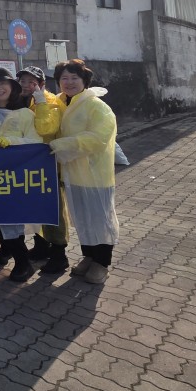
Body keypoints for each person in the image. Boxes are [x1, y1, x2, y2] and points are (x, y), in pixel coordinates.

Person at [48, 59, 119, 284]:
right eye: (64, 78)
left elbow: (98, 139)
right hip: (71, 173)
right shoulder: (59, 103)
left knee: (100, 219)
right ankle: (89, 257)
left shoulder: (97, 106)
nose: (69, 82)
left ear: (84, 80)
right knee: (82, 219)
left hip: (94, 174)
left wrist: (61, 145)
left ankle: (102, 263)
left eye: (74, 78)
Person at [0, 67, 42, 282]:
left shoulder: (25, 114)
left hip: (15, 177)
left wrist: (12, 142)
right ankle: (6, 250)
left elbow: (36, 142)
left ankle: (23, 263)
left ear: (12, 88)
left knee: (10, 220)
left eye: (3, 84)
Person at [18, 65, 70, 274]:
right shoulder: (23, 101)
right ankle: (42, 247)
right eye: (22, 81)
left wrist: (40, 102)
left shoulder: (50, 102)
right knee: (37, 208)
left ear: (41, 84)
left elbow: (45, 128)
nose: (26, 85)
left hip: (50, 166)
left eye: (32, 82)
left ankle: (60, 254)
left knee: (53, 210)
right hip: (32, 166)